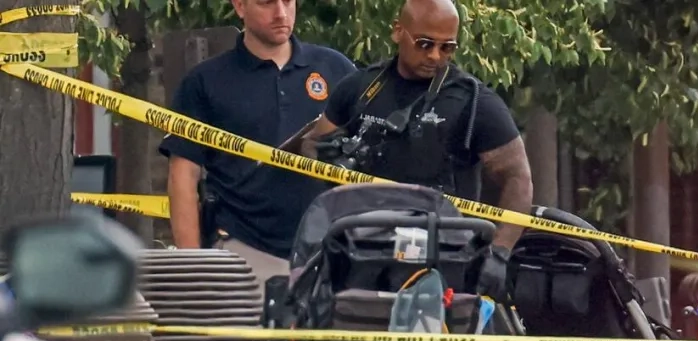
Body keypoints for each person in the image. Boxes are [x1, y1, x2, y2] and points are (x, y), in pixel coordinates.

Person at [301, 0, 533, 300]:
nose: (435, 55)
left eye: (447, 47)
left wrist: (500, 252)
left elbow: (518, 178)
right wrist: (328, 160)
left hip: (443, 259)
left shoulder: (476, 102)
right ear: (398, 32)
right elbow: (312, 144)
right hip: (360, 251)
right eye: (424, 43)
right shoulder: (360, 87)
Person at [159, 0, 357, 287]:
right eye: (266, 3)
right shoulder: (204, 82)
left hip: (330, 254)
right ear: (240, 6)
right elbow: (182, 177)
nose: (281, 13)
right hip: (243, 252)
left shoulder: (336, 68)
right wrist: (193, 270)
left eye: (288, 1)